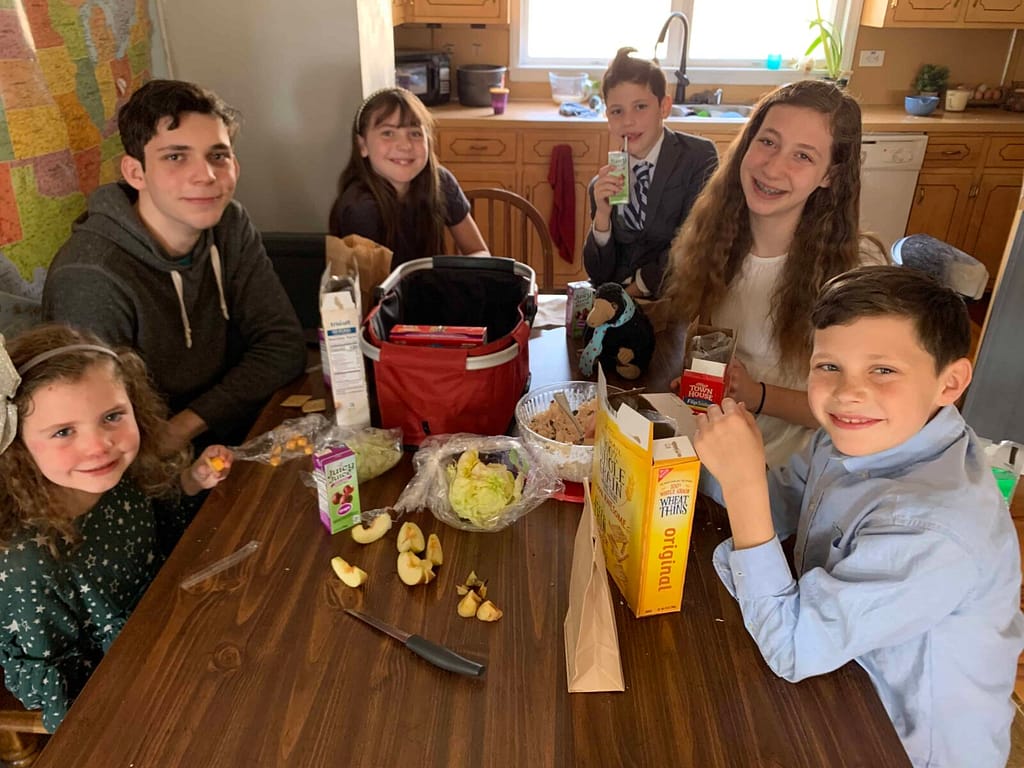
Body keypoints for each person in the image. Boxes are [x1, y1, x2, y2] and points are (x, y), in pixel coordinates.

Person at [693, 265, 1024, 768]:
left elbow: (794, 648)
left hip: (899, 744)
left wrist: (742, 485)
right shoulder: (864, 433)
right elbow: (786, 501)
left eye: (883, 370)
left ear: (949, 382)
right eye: (828, 366)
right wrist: (689, 462)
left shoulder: (935, 529)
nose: (848, 392)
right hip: (843, 677)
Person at [42, 79, 307, 452]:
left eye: (218, 155)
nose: (206, 176)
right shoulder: (91, 277)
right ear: (136, 173)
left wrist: (185, 426)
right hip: (146, 464)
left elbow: (283, 346)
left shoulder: (229, 223)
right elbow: (103, 431)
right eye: (175, 157)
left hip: (217, 435)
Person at [0, 325, 234, 731]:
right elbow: (64, 694)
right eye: (63, 432)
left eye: (112, 417)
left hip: (178, 625)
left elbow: (163, 526)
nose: (98, 446)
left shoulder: (119, 474)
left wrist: (191, 482)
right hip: (126, 694)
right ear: (17, 444)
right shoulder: (29, 564)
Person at [663, 79, 887, 468]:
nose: (773, 167)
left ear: (830, 175)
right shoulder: (715, 238)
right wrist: (705, 385)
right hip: (717, 443)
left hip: (795, 474)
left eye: (803, 156)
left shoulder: (856, 270)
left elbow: (862, 408)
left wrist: (757, 394)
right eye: (768, 142)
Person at [583, 47, 718, 299]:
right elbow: (599, 274)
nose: (628, 121)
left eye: (640, 107)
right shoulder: (601, 185)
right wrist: (602, 217)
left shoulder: (698, 157)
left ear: (664, 107)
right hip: (617, 306)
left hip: (674, 299)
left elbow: (695, 241)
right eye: (617, 111)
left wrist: (635, 292)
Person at [328, 87, 488, 268]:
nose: (405, 145)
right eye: (388, 133)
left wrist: (463, 274)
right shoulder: (359, 208)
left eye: (415, 133)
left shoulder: (441, 181)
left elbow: (479, 251)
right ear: (362, 145)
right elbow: (371, 290)